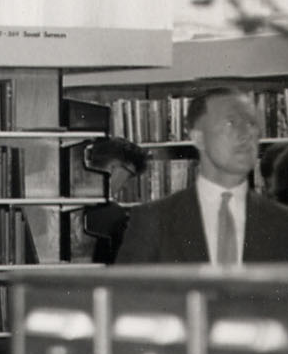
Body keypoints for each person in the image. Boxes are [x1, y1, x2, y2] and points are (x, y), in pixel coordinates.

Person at [118, 87, 288, 264]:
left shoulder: (282, 222)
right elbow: (128, 291)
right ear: (199, 138)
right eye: (230, 123)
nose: (246, 134)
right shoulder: (153, 221)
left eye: (252, 124)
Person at [76, 136, 147, 266]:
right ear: (112, 167)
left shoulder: (65, 199)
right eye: (128, 176)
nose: (125, 185)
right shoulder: (114, 216)